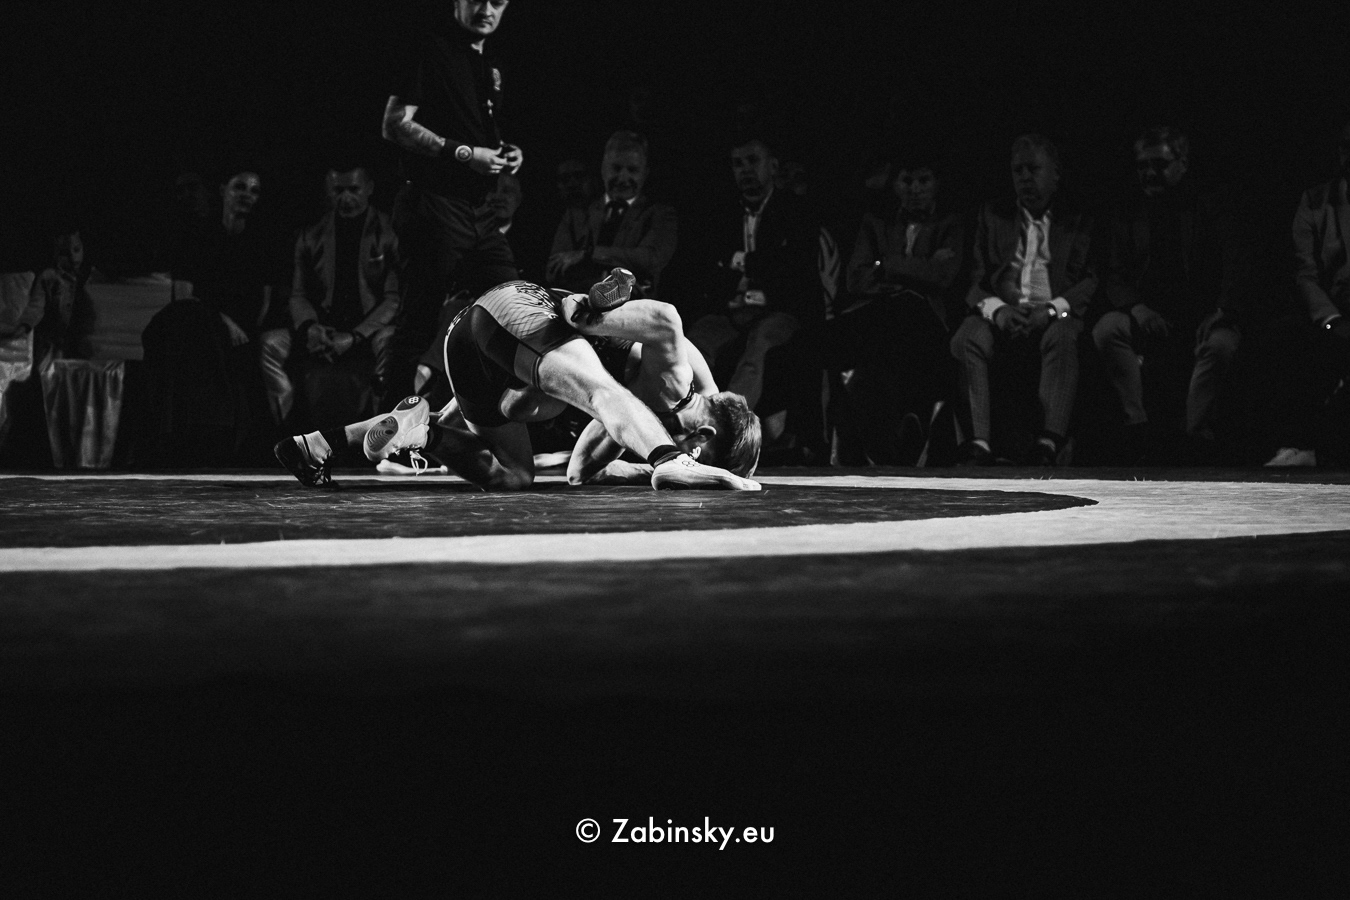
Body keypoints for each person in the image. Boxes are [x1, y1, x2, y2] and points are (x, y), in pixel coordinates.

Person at [276, 269, 761, 491]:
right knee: (597, 389)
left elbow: (580, 471)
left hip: (474, 345)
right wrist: (588, 317)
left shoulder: (635, 413)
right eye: (703, 460)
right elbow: (668, 319)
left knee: (513, 474)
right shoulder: (678, 385)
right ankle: (667, 457)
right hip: (518, 310)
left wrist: (635, 469)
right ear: (702, 439)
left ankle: (322, 443)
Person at [381, 0, 524, 405]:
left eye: (497, 1)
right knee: (418, 323)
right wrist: (464, 153)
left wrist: (505, 151)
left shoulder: (489, 64)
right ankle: (389, 427)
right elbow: (394, 124)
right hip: (433, 204)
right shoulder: (431, 49)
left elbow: (474, 126)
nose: (486, 8)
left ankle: (492, 419)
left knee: (514, 309)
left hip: (479, 210)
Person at [1092, 127, 1241, 462]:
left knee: (1220, 345)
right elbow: (1114, 273)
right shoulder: (1129, 212)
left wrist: (1222, 311)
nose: (1149, 173)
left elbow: (1236, 263)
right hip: (1147, 317)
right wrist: (1137, 308)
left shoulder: (1208, 207)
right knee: (1108, 328)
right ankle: (1137, 427)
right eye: (1142, 166)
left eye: (1159, 164)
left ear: (1182, 164)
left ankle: (1196, 437)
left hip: (1203, 317)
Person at [950, 134, 1095, 466]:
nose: (1025, 178)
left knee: (1064, 335)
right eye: (1018, 171)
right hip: (1005, 312)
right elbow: (974, 278)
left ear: (1055, 174)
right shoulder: (994, 215)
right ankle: (978, 444)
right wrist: (997, 310)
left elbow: (1090, 280)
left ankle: (1048, 442)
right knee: (967, 337)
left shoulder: (1077, 219)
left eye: (1034, 169)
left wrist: (1052, 309)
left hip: (1053, 312)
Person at [687, 133, 824, 459]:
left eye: (753, 161)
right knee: (694, 343)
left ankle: (726, 437)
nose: (746, 170)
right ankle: (683, 430)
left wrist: (740, 261)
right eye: (738, 164)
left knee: (759, 344)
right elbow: (705, 267)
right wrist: (755, 267)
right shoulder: (722, 213)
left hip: (780, 310)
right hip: (733, 309)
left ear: (772, 166)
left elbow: (792, 270)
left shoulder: (796, 210)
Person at [839, 150, 964, 463]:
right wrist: (920, 268)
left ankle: (900, 434)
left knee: (904, 322)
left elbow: (944, 276)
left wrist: (886, 265)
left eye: (924, 180)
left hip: (928, 321)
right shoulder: (877, 223)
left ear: (936, 184)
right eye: (907, 181)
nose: (915, 189)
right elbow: (855, 279)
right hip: (879, 316)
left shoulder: (950, 223)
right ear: (895, 185)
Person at [258, 166, 400, 428]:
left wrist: (356, 335)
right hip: (322, 327)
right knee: (270, 344)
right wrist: (310, 327)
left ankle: (383, 431)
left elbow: (393, 299)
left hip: (369, 330)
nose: (346, 198)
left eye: (353, 189)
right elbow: (298, 294)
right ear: (328, 191)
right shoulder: (310, 235)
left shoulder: (390, 233)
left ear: (369, 189)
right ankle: (285, 430)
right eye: (338, 190)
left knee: (390, 341)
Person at [1286, 118, 1350, 466]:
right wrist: (1331, 320)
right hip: (1335, 312)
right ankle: (1306, 447)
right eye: (1345, 148)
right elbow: (1305, 273)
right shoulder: (1315, 201)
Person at [546, 130, 678, 297]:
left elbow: (650, 259)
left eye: (632, 170)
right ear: (603, 169)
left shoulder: (660, 215)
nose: (623, 178)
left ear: (645, 174)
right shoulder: (576, 214)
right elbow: (554, 269)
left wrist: (587, 255)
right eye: (616, 168)